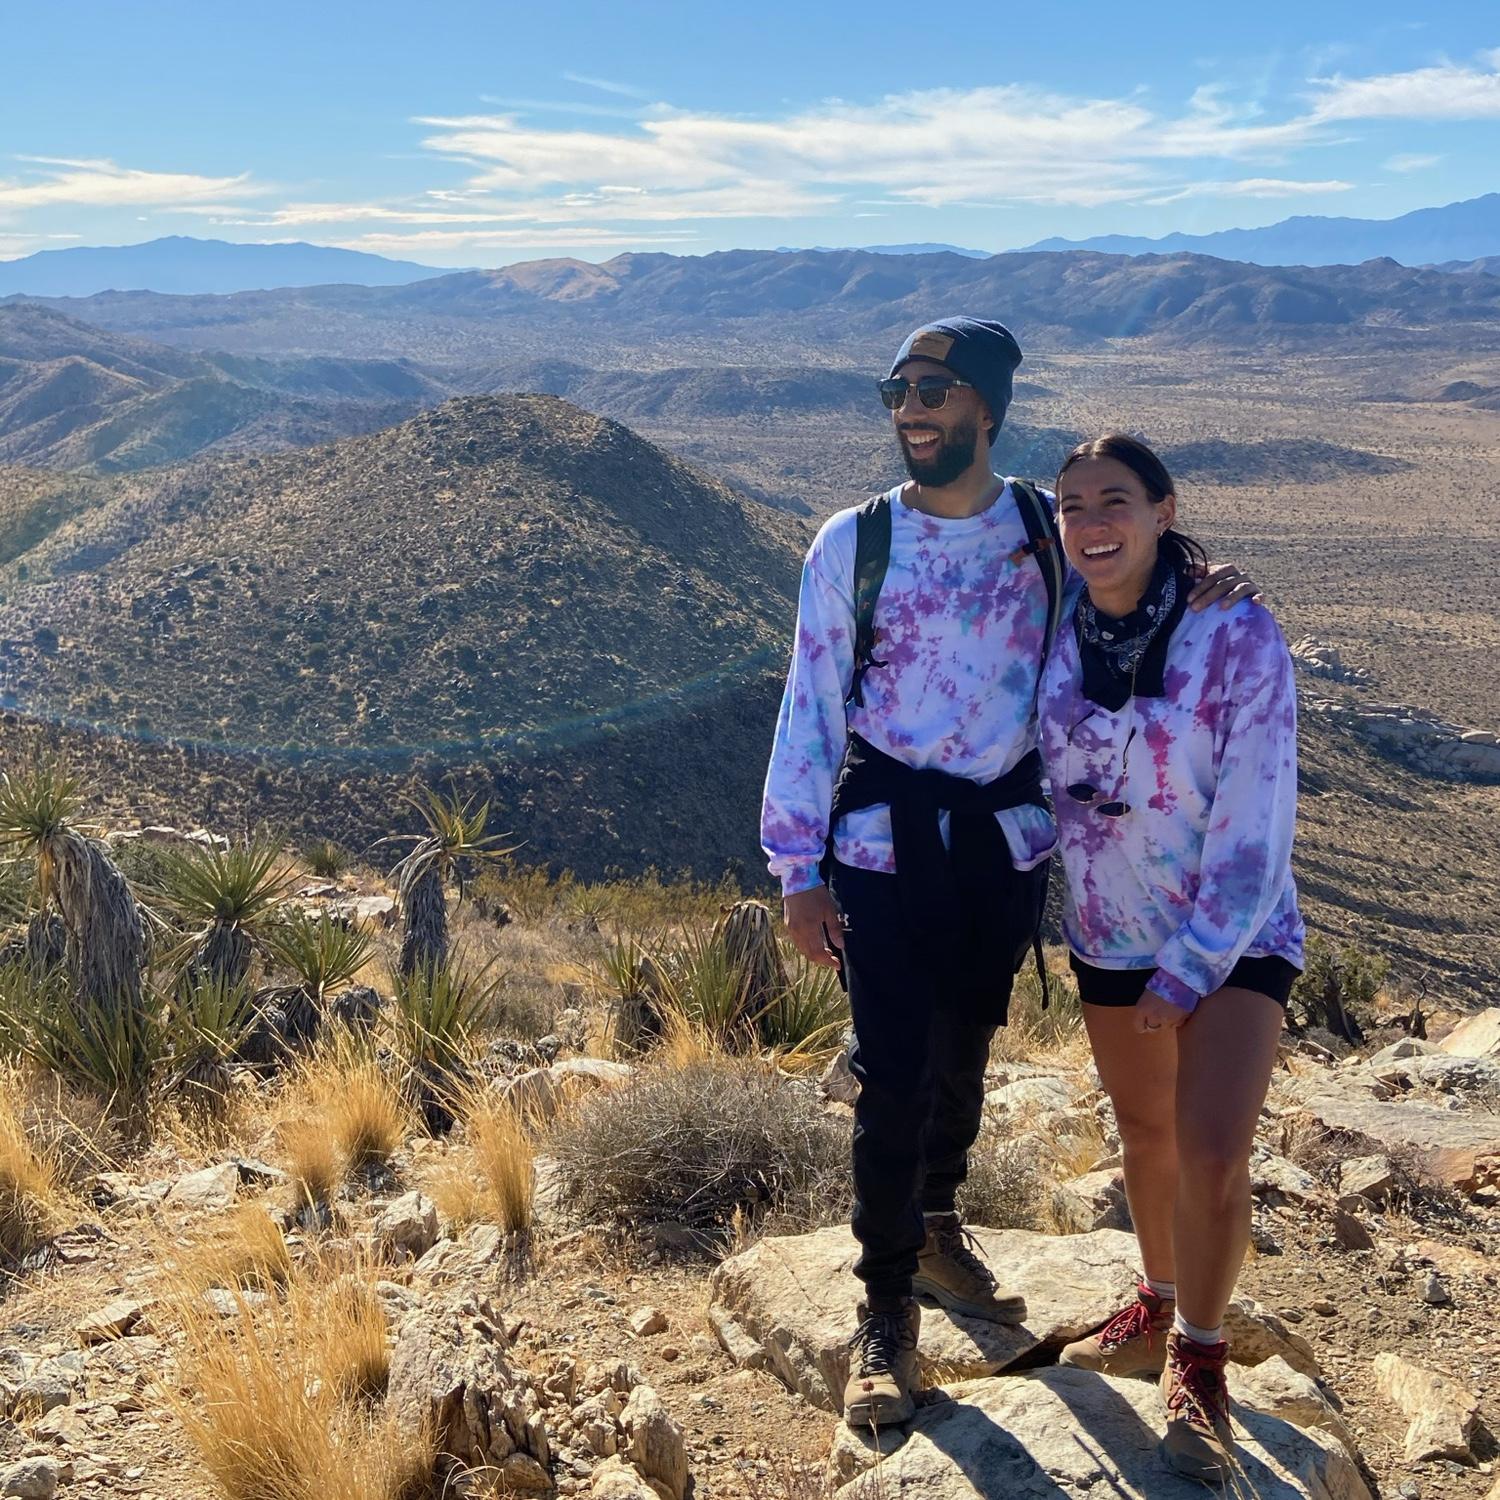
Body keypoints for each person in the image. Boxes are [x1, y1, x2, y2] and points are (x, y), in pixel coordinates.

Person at [759, 319, 1258, 1429]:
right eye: (898, 390)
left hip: (1005, 843)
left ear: (986, 408)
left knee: (964, 1051)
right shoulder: (854, 543)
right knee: (892, 1074)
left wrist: (1201, 578)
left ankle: (937, 1221)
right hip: (883, 843)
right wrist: (796, 865)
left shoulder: (1043, 528)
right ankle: (885, 1310)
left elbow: (1126, 588)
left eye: (933, 390)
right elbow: (812, 701)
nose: (910, 409)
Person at [1041, 434, 1303, 1485]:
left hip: (1233, 934)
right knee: (1145, 1134)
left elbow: (1257, 811)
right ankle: (1155, 1302)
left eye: (1115, 500)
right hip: (1109, 925)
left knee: (1211, 1147)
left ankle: (1201, 1356)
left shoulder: (1234, 631)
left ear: (1164, 509)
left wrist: (1191, 965)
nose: (1091, 522)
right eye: (1071, 506)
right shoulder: (1051, 623)